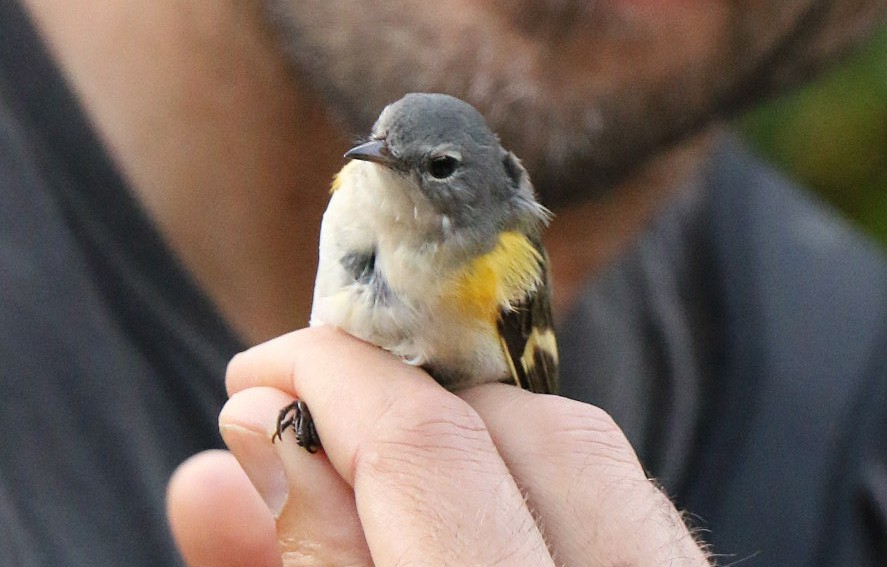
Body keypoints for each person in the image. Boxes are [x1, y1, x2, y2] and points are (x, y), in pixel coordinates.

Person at [0, 0, 884, 564]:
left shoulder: (856, 433)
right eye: (376, 148)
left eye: (423, 166)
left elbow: (525, 376)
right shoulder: (362, 188)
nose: (376, 164)